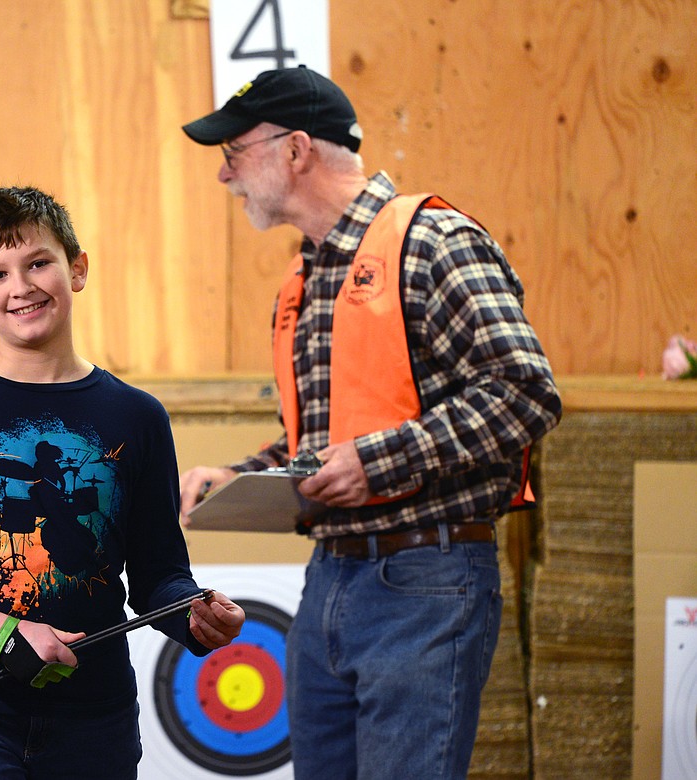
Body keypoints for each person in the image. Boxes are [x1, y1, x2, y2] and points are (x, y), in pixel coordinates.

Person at [178, 66, 562, 779]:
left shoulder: (434, 241)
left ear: (295, 150)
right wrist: (240, 478)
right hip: (329, 581)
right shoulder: (305, 280)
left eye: (232, 153)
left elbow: (525, 391)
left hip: (428, 581)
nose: (224, 176)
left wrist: (377, 463)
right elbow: (321, 452)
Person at [0, 185, 245, 779]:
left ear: (78, 268)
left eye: (39, 262)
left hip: (94, 716)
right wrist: (2, 635)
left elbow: (157, 572)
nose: (21, 287)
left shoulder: (137, 417)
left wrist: (191, 614)